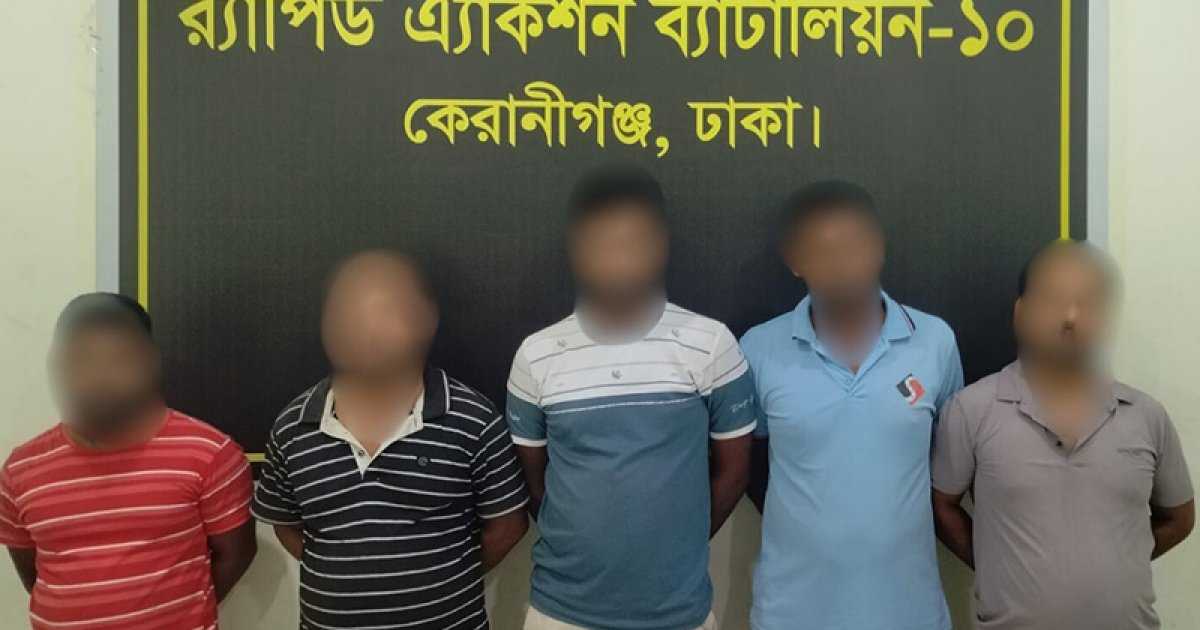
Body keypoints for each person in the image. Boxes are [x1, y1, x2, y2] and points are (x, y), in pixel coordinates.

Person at [506, 164, 757, 630]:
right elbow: (535, 484)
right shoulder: (537, 354)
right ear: (577, 251)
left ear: (661, 246)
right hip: (561, 611)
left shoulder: (711, 344)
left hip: (678, 612)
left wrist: (676, 546)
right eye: (602, 244)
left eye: (635, 242)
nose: (619, 259)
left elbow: (735, 472)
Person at [252, 250, 529, 630]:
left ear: (424, 321)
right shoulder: (293, 428)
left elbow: (508, 525)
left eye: (387, 313)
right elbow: (286, 524)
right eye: (351, 315)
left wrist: (447, 578)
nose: (370, 330)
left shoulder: (473, 420)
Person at [932, 240, 1194, 630]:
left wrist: (1121, 561)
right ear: (1021, 312)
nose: (1070, 317)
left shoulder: (1146, 416)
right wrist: (995, 566)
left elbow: (1180, 518)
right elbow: (942, 506)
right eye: (1052, 299)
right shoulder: (970, 410)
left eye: (1086, 303)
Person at [740, 181, 963, 630]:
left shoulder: (934, 340)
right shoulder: (759, 348)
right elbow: (751, 464)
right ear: (795, 261)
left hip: (909, 612)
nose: (843, 266)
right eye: (824, 252)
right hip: (793, 613)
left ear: (880, 248)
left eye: (856, 247)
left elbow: (950, 456)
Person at [0, 293, 256, 629]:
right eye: (81, 359)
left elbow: (236, 555)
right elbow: (33, 571)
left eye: (119, 358)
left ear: (149, 362)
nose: (99, 375)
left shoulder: (209, 453)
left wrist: (181, 614)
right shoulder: (20, 470)